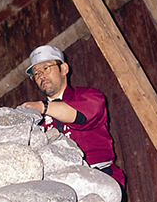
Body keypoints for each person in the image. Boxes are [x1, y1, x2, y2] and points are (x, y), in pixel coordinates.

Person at [21, 45, 126, 188]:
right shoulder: (37, 118)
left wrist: (43, 107)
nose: (41, 76)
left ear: (64, 69)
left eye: (46, 68)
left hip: (101, 178)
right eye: (36, 73)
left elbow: (79, 117)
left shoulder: (89, 97)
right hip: (59, 186)